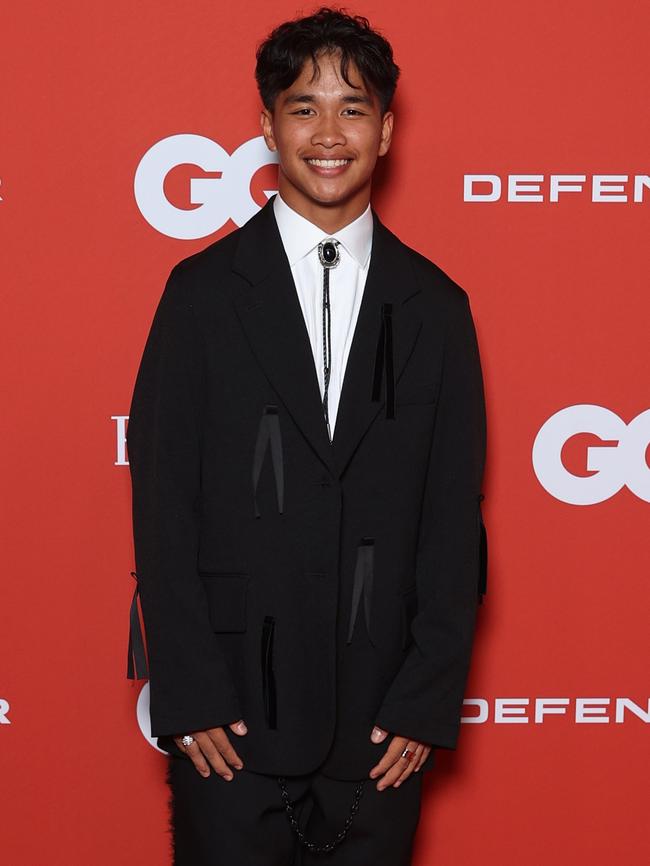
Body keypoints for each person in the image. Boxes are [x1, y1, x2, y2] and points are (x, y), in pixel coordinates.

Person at [126, 7, 488, 865]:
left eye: (353, 108)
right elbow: (162, 500)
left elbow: (452, 520)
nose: (329, 133)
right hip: (231, 725)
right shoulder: (201, 294)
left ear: (387, 129)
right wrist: (189, 694)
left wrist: (425, 700)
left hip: (380, 728)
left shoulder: (437, 308)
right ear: (266, 127)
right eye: (303, 107)